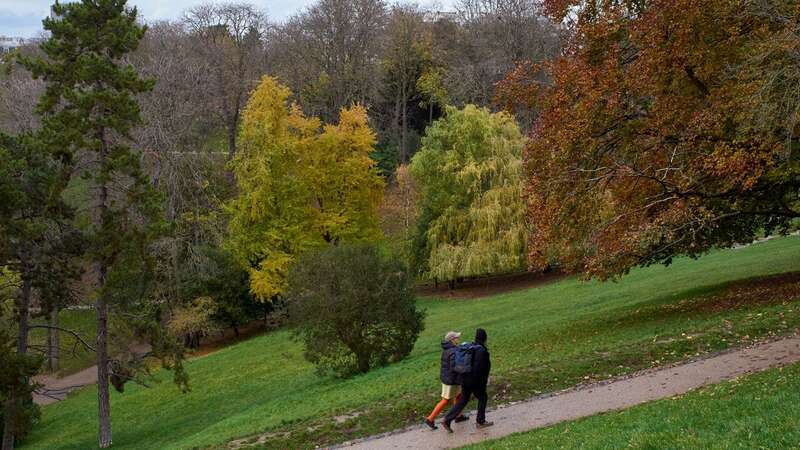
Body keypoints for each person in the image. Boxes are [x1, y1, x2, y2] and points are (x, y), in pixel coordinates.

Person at [442, 328, 493, 432]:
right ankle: (480, 421)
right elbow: (479, 369)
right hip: (474, 380)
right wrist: (483, 382)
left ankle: (447, 420)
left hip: (464, 378)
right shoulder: (481, 350)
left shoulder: (471, 347)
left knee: (463, 400)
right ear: (485, 338)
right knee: (483, 397)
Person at [424, 331, 468, 429]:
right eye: (456, 338)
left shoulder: (448, 349)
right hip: (451, 380)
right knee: (445, 400)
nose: (458, 339)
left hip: (448, 378)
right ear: (452, 340)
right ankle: (430, 419)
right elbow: (454, 367)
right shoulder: (453, 351)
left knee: (458, 396)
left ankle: (458, 416)